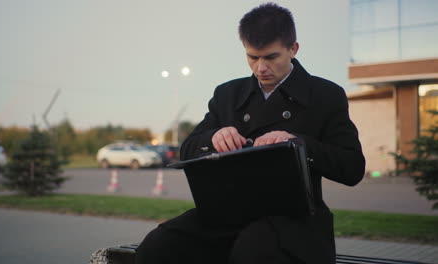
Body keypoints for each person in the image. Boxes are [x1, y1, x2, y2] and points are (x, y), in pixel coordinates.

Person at [136, 3, 365, 264]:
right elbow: (187, 148)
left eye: (271, 57)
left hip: (295, 223)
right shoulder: (227, 94)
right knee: (157, 247)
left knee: (252, 253)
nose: (260, 68)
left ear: (293, 49)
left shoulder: (325, 95)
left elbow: (352, 168)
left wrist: (298, 145)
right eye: (252, 57)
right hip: (227, 217)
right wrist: (213, 139)